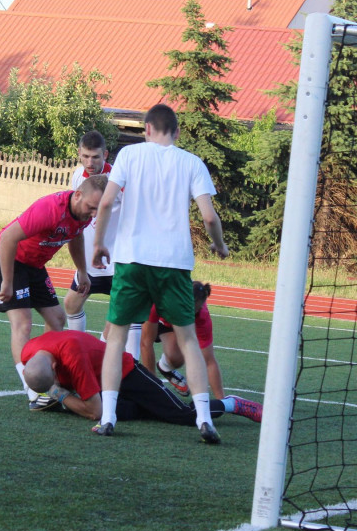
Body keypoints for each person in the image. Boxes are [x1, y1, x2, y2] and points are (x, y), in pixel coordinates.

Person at [91, 103, 229, 442]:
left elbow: (106, 203)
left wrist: (98, 244)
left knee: (116, 338)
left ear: (147, 129)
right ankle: (202, 419)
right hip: (174, 263)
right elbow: (210, 217)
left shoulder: (129, 156)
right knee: (188, 340)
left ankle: (108, 417)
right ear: (177, 132)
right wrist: (219, 245)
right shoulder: (192, 163)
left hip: (132, 260)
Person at [0, 174, 108, 408]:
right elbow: (7, 239)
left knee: (57, 318)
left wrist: (82, 271)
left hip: (34, 264)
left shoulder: (82, 213)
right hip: (10, 259)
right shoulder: (50, 209)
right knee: (23, 323)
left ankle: (52, 377)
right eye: (91, 208)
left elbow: (75, 236)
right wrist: (7, 282)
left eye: (98, 210)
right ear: (78, 195)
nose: (94, 214)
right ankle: (32, 388)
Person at [20, 329, 261, 427]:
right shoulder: (28, 352)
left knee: (182, 416)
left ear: (54, 365)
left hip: (125, 373)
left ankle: (232, 403)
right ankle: (152, 407)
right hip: (99, 379)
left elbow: (95, 412)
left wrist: (58, 393)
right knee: (131, 412)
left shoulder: (72, 357)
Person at [61, 131, 141, 358]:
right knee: (71, 304)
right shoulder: (77, 176)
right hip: (89, 263)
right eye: (85, 156)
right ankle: (80, 353)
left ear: (105, 154)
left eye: (95, 157)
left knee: (122, 316)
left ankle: (124, 365)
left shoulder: (118, 177)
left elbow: (135, 211)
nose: (90, 162)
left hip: (117, 262)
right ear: (79, 154)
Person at [141, 281, 262, 423]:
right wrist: (153, 389)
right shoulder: (161, 300)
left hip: (174, 322)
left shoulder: (201, 317)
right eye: (188, 308)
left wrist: (220, 400)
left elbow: (209, 361)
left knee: (176, 359)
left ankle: (229, 403)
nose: (190, 313)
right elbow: (145, 343)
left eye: (194, 311)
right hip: (159, 317)